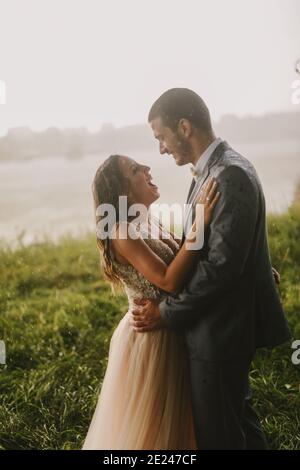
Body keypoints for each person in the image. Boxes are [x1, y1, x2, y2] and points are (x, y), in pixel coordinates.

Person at [132, 88, 291, 450]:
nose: (160, 148)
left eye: (161, 137)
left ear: (184, 126)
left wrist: (166, 313)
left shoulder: (229, 174)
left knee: (219, 437)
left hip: (220, 332)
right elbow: (220, 249)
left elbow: (220, 267)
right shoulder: (211, 171)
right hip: (220, 327)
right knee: (240, 426)